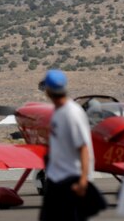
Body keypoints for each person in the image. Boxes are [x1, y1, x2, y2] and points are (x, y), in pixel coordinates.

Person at [39, 69, 95, 221]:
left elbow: (83, 147)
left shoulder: (72, 113)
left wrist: (83, 181)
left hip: (71, 181)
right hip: (56, 180)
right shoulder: (59, 111)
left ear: (48, 90)